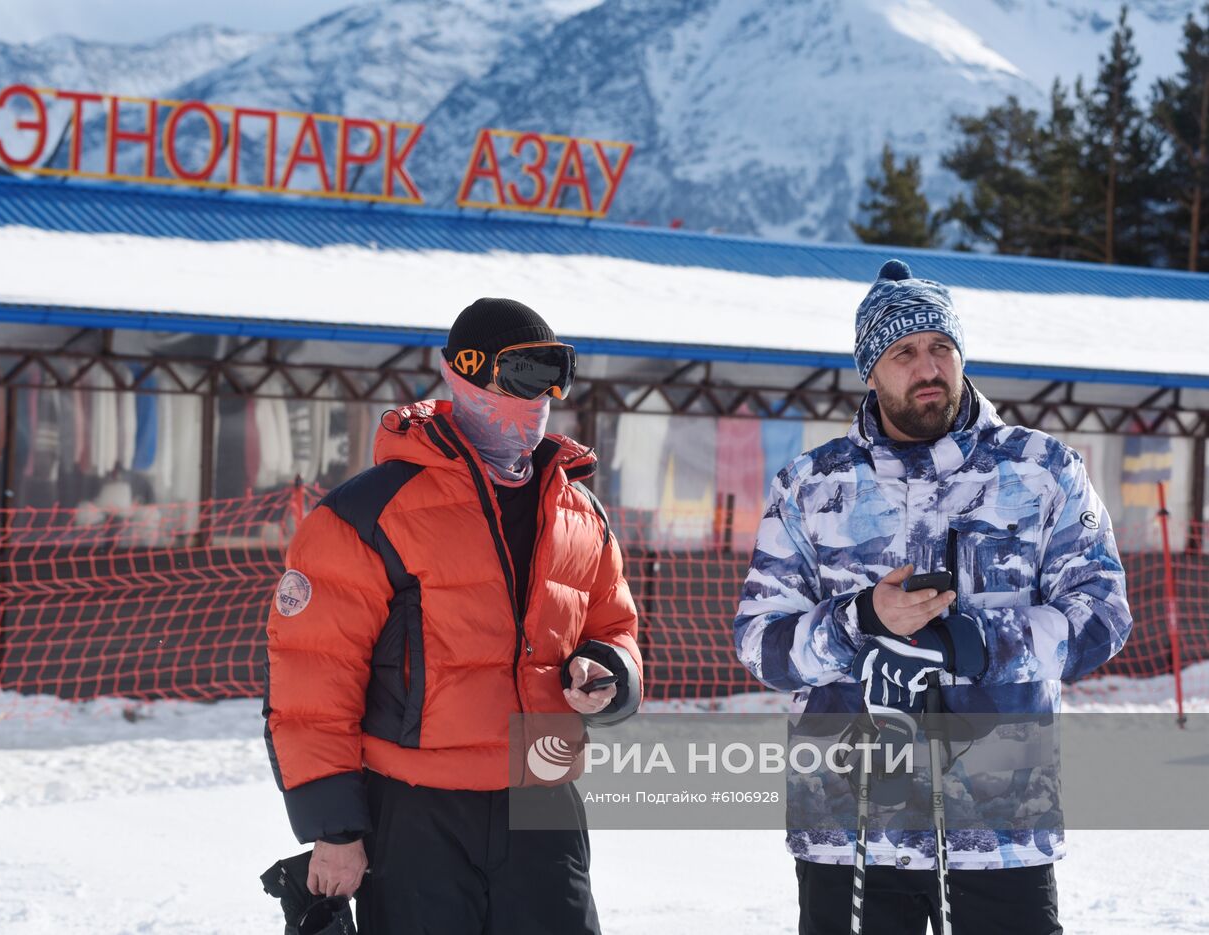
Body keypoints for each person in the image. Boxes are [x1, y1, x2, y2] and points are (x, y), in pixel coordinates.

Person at [733, 259, 1132, 934]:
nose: (929, 366)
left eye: (942, 347)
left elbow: (1102, 613)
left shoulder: (1041, 471)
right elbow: (759, 642)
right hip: (849, 825)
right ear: (871, 369)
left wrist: (980, 644)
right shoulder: (811, 484)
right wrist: (860, 619)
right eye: (904, 352)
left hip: (1000, 829)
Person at [264, 297, 643, 934]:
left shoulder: (580, 511)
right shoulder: (367, 513)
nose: (541, 395)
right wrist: (334, 830)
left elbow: (614, 628)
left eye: (556, 375)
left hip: (543, 804)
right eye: (523, 374)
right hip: (417, 811)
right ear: (461, 373)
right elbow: (312, 679)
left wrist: (609, 672)